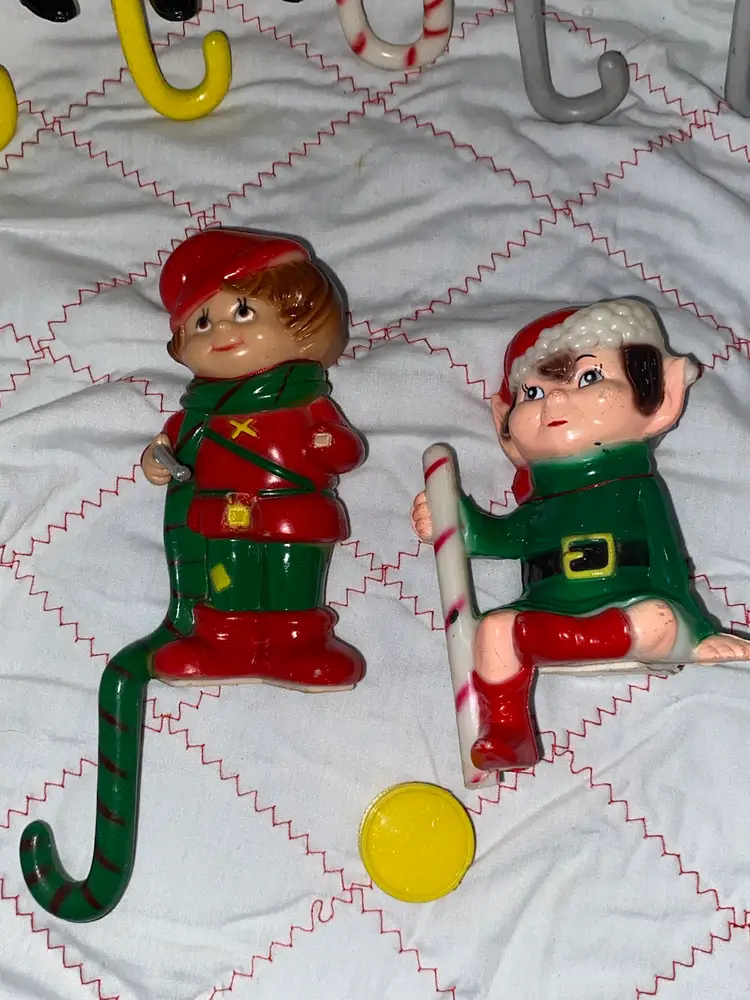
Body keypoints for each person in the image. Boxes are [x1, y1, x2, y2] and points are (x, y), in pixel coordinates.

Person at [411, 298, 750, 773]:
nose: (554, 401)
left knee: (658, 620)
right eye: (533, 392)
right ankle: (509, 732)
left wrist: (700, 631)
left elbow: (668, 561)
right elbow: (500, 537)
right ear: (505, 425)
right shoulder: (540, 506)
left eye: (589, 377)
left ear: (661, 396)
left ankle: (625, 634)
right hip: (548, 617)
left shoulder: (636, 489)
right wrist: (455, 521)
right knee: (494, 631)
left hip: (630, 608)